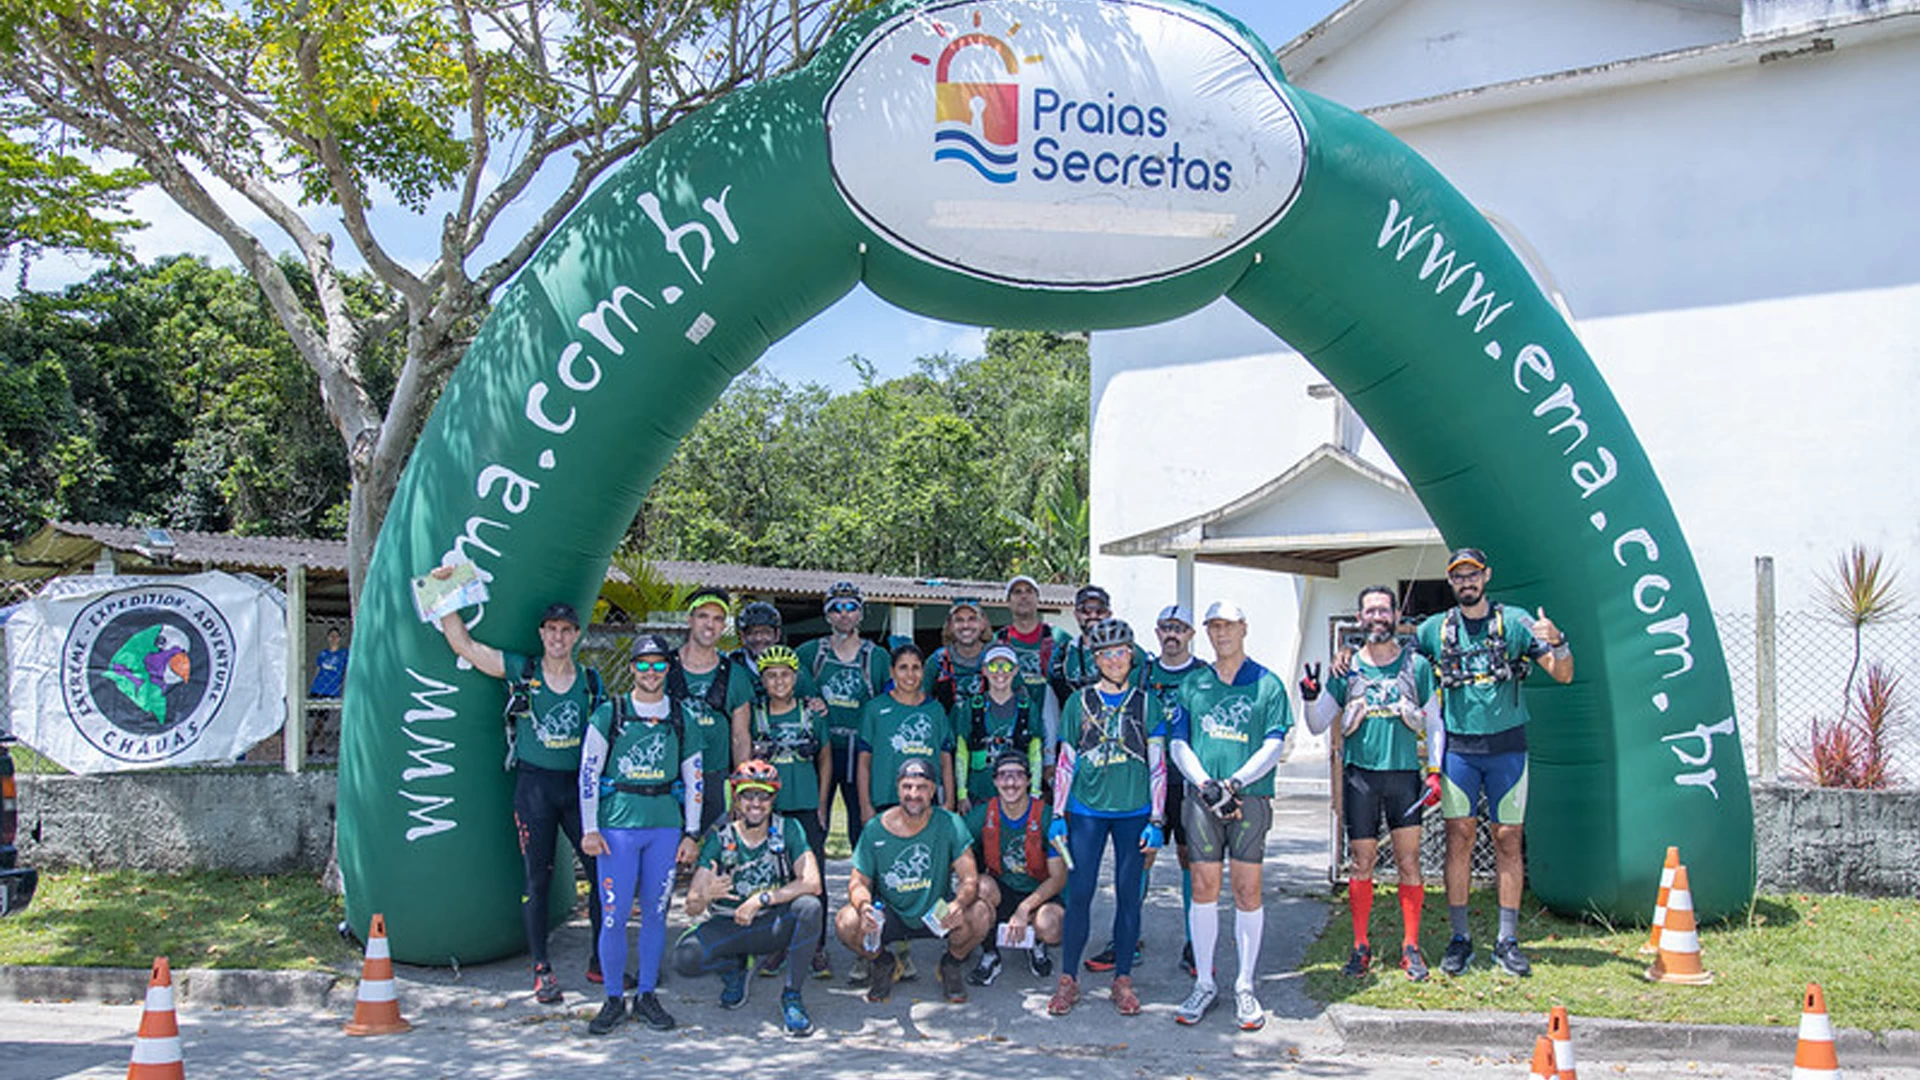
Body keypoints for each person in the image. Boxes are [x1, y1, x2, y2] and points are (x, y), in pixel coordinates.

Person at [1413, 547, 1572, 978]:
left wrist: (1558, 640)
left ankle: (1507, 940)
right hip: (1459, 752)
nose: (1466, 582)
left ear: (1486, 576)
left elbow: (1563, 674)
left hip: (1508, 749)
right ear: (1451, 582)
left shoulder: (1515, 622)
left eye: (1473, 574)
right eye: (1458, 576)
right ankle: (1460, 938)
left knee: (1508, 839)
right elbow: (1399, 666)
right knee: (1459, 838)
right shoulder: (1434, 629)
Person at [436, 598, 605, 1004]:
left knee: (602, 875)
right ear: (542, 634)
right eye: (551, 629)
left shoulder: (590, 680)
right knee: (537, 878)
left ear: (576, 635)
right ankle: (542, 969)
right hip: (535, 787)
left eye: (566, 630)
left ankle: (601, 960)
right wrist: (444, 596)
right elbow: (464, 646)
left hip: (579, 790)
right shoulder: (523, 670)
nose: (558, 637)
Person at [1301, 585, 1444, 983]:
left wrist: (1435, 771)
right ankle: (1360, 945)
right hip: (1360, 776)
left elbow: (1435, 722)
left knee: (1409, 862)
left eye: (1384, 610)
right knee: (1361, 862)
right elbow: (1316, 724)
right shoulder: (1345, 669)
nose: (1377, 617)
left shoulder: (1416, 667)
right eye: (1370, 611)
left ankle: (1410, 947)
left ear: (1396, 616)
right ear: (1359, 618)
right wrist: (1309, 697)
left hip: (1404, 776)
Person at [1167, 601, 1290, 1031]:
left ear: (1244, 628)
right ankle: (1204, 982)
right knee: (1203, 886)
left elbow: (1274, 744)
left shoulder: (1267, 684)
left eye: (1229, 626)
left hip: (1249, 798)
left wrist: (1234, 783)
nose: (1221, 634)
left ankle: (1244, 984)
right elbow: (1178, 742)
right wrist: (1206, 785)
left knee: (1246, 889)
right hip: (1203, 798)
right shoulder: (1194, 683)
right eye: (1214, 627)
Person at [579, 634, 703, 1035]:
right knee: (614, 916)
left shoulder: (681, 715)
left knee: (656, 913)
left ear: (668, 668)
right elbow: (588, 773)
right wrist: (590, 828)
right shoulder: (610, 712)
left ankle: (647, 994)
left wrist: (692, 832)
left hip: (664, 827)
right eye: (644, 664)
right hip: (617, 829)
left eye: (659, 664)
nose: (652, 672)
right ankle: (613, 997)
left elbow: (695, 777)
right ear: (633, 667)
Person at [1046, 618, 1167, 1017]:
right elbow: (1066, 761)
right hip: (1086, 811)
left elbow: (1158, 765)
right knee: (1079, 893)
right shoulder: (1078, 703)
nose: (1114, 660)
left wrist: (1157, 820)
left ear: (1131, 655)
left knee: (1129, 895)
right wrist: (1058, 813)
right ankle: (1068, 979)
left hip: (1134, 811)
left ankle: (1123, 978)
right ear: (1095, 660)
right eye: (1105, 654)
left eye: (1120, 652)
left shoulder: (1147, 704)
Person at [673, 760, 823, 1037]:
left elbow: (813, 883)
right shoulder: (721, 838)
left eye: (763, 795)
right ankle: (735, 968)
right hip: (730, 923)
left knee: (810, 908)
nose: (756, 803)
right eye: (748, 795)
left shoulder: (788, 829)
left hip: (770, 923)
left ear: (773, 799)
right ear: (737, 799)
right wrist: (706, 895)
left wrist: (761, 899)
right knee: (686, 959)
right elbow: (692, 906)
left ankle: (792, 996)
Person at [834, 758, 993, 1005]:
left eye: (921, 787)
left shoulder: (950, 823)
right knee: (845, 921)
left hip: (937, 911)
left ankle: (951, 963)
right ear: (898, 789)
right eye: (907, 786)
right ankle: (883, 962)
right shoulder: (875, 828)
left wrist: (958, 904)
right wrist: (864, 907)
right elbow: (858, 882)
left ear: (933, 790)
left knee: (981, 913)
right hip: (890, 912)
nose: (914, 794)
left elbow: (969, 878)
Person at [738, 645, 834, 981]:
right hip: (769, 810)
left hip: (805, 805)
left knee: (813, 876)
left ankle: (816, 946)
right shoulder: (757, 715)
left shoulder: (812, 714)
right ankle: (778, 943)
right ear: (762, 680)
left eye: (785, 675)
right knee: (774, 876)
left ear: (796, 678)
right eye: (771, 676)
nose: (779, 681)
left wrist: (822, 804)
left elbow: (825, 758)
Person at [795, 581, 891, 861]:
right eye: (836, 608)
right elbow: (785, 693)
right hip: (820, 750)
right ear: (827, 615)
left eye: (851, 607)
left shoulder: (877, 657)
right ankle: (811, 885)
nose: (844, 614)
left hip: (859, 752)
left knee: (863, 825)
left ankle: (865, 885)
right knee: (815, 824)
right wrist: (809, 703)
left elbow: (889, 702)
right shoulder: (809, 653)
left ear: (860, 613)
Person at [1141, 604, 1207, 976]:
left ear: (1191, 635)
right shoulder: (1143, 673)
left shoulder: (1204, 674)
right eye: (1166, 627)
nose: (1172, 634)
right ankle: (1127, 936)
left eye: (1179, 628)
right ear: (1157, 632)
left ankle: (1194, 941)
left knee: (1190, 858)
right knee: (1142, 854)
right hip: (1148, 779)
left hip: (1188, 781)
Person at [963, 750, 1066, 985]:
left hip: (1038, 891)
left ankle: (1035, 942)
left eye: (1018, 775)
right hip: (1002, 889)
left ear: (1029, 780)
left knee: (1051, 926)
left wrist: (1024, 908)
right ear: (995, 781)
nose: (1010, 783)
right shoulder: (984, 813)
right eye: (1003, 775)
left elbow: (1058, 878)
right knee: (979, 886)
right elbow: (957, 847)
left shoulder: (1045, 816)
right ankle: (990, 952)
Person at [676, 587, 756, 834]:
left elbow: (741, 737)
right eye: (703, 616)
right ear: (690, 620)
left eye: (717, 619)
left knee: (717, 852)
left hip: (715, 778)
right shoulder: (663, 668)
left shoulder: (735, 675)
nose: (709, 625)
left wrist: (741, 789)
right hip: (671, 779)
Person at [951, 643, 1051, 812]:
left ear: (1015, 670)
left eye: (1006, 666)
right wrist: (961, 794)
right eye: (993, 666)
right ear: (984, 670)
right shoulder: (971, 707)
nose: (1000, 672)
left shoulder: (1027, 707)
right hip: (979, 792)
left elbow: (1035, 753)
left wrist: (1034, 792)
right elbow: (962, 752)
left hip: (1017, 792)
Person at [1049, 585, 1149, 702]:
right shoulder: (1062, 655)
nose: (1093, 615)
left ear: (1109, 614)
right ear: (1076, 614)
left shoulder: (1132, 653)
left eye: (1100, 610)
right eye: (1086, 610)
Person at [996, 574, 1071, 712]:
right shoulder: (998, 640)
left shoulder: (1058, 637)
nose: (1023, 596)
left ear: (1038, 599)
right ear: (1008, 602)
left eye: (1029, 591)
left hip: (1052, 715)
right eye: (1017, 592)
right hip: (1009, 716)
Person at [925, 597, 991, 710]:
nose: (965, 625)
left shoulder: (995, 658)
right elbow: (920, 701)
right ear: (950, 625)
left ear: (983, 624)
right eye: (959, 620)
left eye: (972, 619)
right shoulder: (937, 662)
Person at [308, 626, 348, 697]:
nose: (334, 638)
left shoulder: (344, 653)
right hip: (317, 689)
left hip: (332, 691)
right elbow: (318, 670)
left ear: (339, 638)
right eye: (331, 636)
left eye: (336, 636)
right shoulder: (323, 654)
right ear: (328, 638)